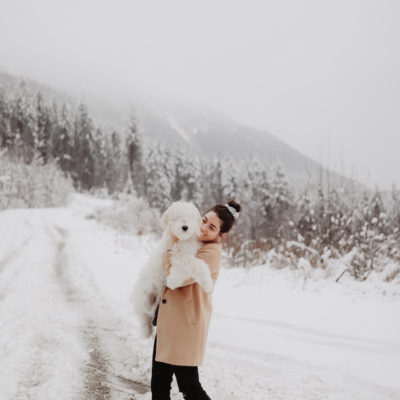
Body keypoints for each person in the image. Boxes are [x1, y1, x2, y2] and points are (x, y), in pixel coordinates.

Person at [151, 199, 242, 400]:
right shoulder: (194, 241)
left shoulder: (210, 253)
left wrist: (170, 247)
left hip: (185, 327)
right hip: (171, 323)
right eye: (203, 220)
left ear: (221, 234)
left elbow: (175, 276)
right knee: (159, 384)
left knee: (189, 386)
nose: (202, 228)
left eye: (211, 227)